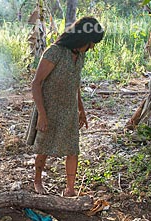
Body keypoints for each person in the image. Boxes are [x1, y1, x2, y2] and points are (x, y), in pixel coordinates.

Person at [26, 17, 104, 196]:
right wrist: (42, 115)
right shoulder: (55, 52)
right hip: (48, 107)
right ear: (82, 39)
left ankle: (70, 188)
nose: (92, 47)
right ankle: (37, 181)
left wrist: (81, 109)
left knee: (72, 148)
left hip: (68, 108)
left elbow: (75, 84)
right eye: (91, 43)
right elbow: (36, 84)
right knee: (44, 147)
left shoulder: (80, 55)